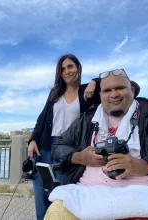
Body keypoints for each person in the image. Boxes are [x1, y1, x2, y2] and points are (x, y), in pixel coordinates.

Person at [44, 69, 148, 220]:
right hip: (89, 192)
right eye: (107, 90)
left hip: (142, 191)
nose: (113, 94)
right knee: (56, 211)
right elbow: (58, 146)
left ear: (132, 90)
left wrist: (145, 165)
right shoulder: (87, 120)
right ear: (100, 95)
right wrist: (79, 157)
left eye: (120, 88)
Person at [27, 54, 102, 220]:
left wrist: (94, 81)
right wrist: (32, 140)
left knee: (64, 195)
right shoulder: (55, 93)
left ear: (78, 68)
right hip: (46, 147)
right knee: (42, 194)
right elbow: (42, 118)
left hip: (70, 150)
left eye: (70, 66)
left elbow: (113, 83)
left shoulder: (87, 92)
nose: (67, 71)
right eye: (62, 69)